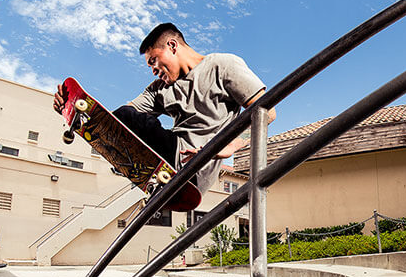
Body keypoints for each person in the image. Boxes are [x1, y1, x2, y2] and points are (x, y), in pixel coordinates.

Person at [53, 23, 276, 197]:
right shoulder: (160, 89)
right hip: (169, 158)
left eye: (154, 61)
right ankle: (149, 175)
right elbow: (117, 119)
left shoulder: (222, 66)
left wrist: (227, 147)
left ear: (171, 46)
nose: (153, 70)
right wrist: (75, 108)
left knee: (127, 118)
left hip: (197, 167)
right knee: (124, 115)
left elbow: (268, 112)